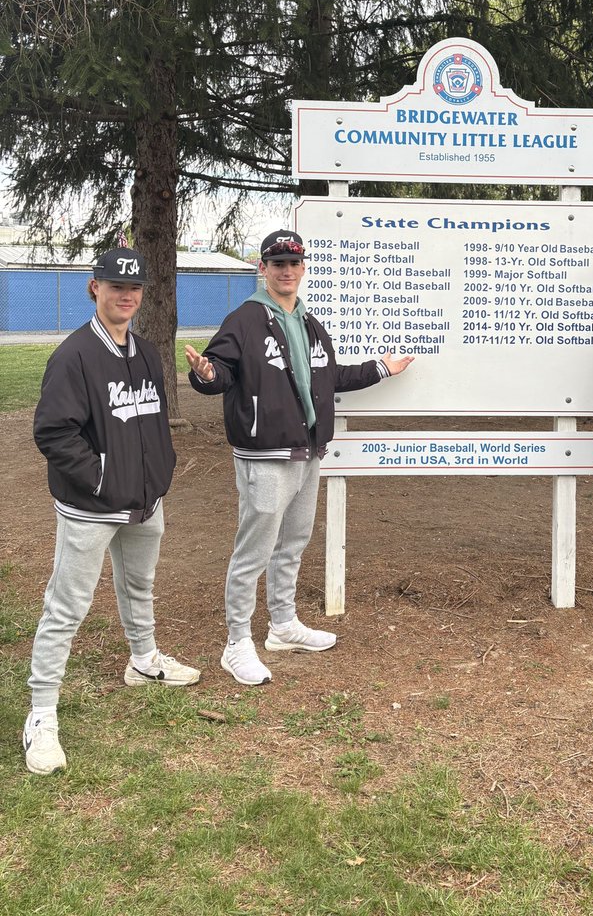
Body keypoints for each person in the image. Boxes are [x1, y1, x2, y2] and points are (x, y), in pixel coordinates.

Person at [186, 229, 413, 686]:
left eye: (293, 264)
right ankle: (237, 644)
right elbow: (218, 371)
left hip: (308, 450)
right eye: (277, 264)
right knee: (254, 550)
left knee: (294, 541)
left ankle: (283, 626)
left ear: (303, 268)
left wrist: (380, 369)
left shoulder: (309, 323)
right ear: (262, 269)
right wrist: (207, 375)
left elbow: (329, 376)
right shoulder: (245, 320)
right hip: (265, 452)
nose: (286, 271)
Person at [24, 248, 200, 776]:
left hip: (144, 499)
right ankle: (41, 713)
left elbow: (153, 421)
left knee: (139, 585)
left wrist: (155, 475)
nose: (125, 294)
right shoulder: (74, 355)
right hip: (90, 505)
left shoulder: (146, 351)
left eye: (134, 287)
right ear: (93, 288)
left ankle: (143, 662)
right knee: (67, 607)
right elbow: (54, 432)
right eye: (113, 285)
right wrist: (101, 479)